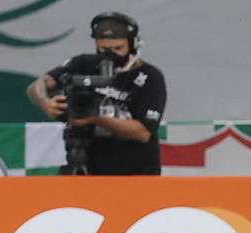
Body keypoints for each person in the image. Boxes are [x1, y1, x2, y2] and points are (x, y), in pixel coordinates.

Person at [27, 12, 166, 175]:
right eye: (103, 48)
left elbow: (142, 132)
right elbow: (37, 85)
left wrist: (95, 118)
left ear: (133, 45)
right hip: (83, 163)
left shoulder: (150, 77)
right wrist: (46, 103)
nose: (110, 54)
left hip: (133, 171)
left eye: (118, 48)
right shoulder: (83, 63)